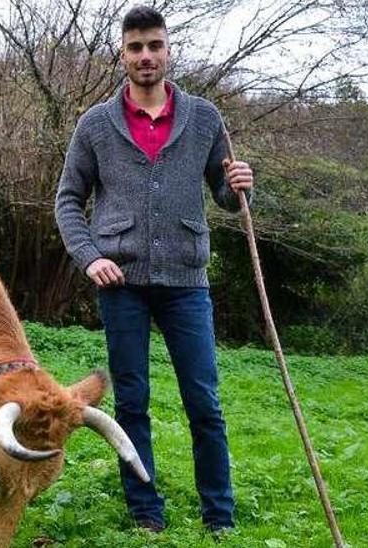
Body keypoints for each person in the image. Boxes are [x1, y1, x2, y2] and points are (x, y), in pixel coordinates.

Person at [53, 4, 255, 534]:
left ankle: (220, 515)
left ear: (168, 50)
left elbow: (224, 194)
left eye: (155, 46)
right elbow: (68, 199)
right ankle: (146, 512)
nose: (146, 56)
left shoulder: (206, 118)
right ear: (122, 54)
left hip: (187, 282)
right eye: (136, 47)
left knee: (204, 403)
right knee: (133, 403)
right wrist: (90, 255)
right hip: (122, 284)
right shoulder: (95, 125)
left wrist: (238, 187)